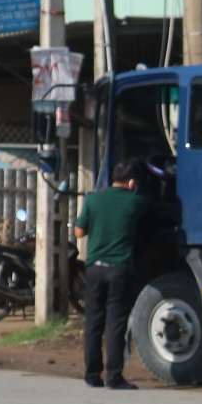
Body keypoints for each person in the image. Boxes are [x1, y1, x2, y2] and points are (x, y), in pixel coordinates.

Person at [74, 158, 151, 390]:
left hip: (94, 269)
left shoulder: (93, 200)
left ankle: (92, 376)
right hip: (120, 270)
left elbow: (79, 232)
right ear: (131, 183)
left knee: (93, 323)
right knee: (115, 323)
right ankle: (115, 377)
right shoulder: (135, 203)